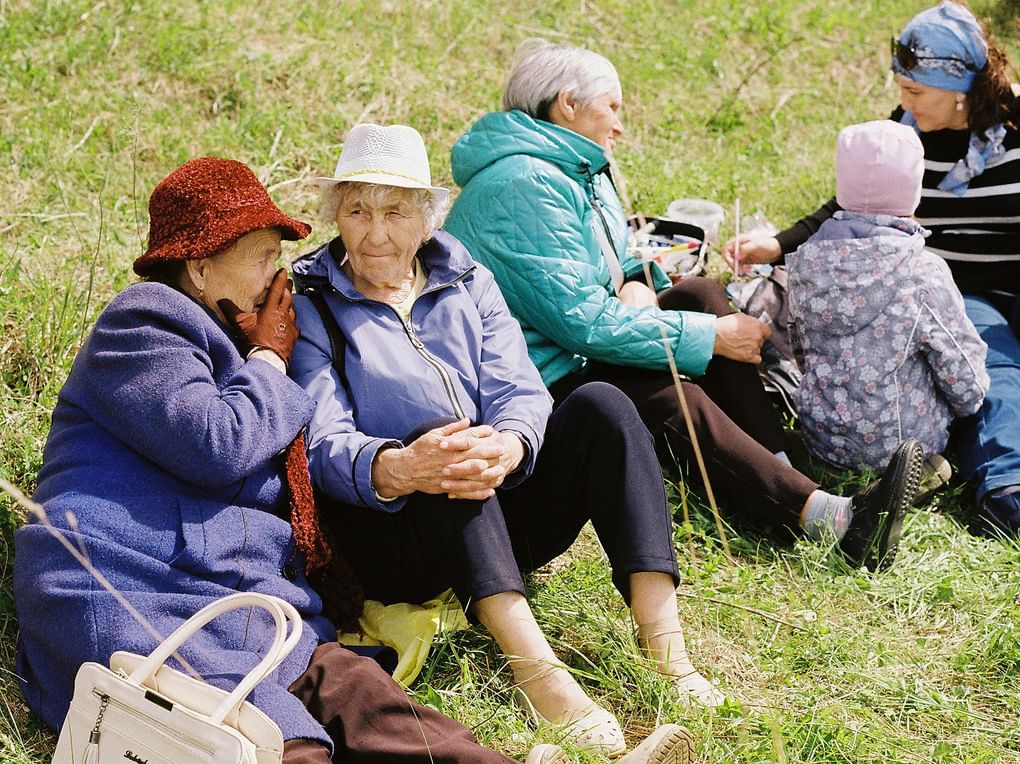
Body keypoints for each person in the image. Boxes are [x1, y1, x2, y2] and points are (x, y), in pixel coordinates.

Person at [12, 156, 571, 764]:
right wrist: (272, 360)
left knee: (363, 699)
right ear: (199, 268)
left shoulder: (232, 335)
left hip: (242, 603)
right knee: (278, 744)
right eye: (262, 258)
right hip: (138, 590)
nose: (277, 278)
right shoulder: (144, 323)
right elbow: (217, 443)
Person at [288, 123, 701, 761]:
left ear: (426, 218)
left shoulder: (465, 279)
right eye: (357, 210)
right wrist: (398, 465)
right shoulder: (313, 301)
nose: (375, 233)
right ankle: (541, 677)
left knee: (602, 407)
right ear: (335, 213)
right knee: (442, 445)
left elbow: (523, 391)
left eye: (395, 211)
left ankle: (666, 648)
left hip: (491, 511)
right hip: (392, 533)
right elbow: (318, 441)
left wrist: (510, 446)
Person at [443, 38, 924, 571]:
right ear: (567, 105)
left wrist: (638, 280)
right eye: (613, 107)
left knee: (700, 295)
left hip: (572, 345)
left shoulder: (571, 165)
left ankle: (783, 467)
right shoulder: (522, 184)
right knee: (660, 390)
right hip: (536, 380)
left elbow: (615, 256)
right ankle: (833, 521)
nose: (620, 126)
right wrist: (709, 337)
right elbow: (581, 323)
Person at [724, 0, 1020, 537]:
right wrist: (777, 245)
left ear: (961, 89)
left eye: (915, 91)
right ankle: (1006, 490)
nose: (903, 101)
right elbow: (855, 207)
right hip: (967, 293)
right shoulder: (904, 134)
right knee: (998, 375)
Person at [787, 119, 989, 472]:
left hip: (821, 436)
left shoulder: (806, 259)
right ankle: (921, 475)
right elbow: (961, 369)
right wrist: (973, 402)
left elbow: (799, 345)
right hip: (899, 450)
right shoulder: (922, 272)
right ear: (914, 188)